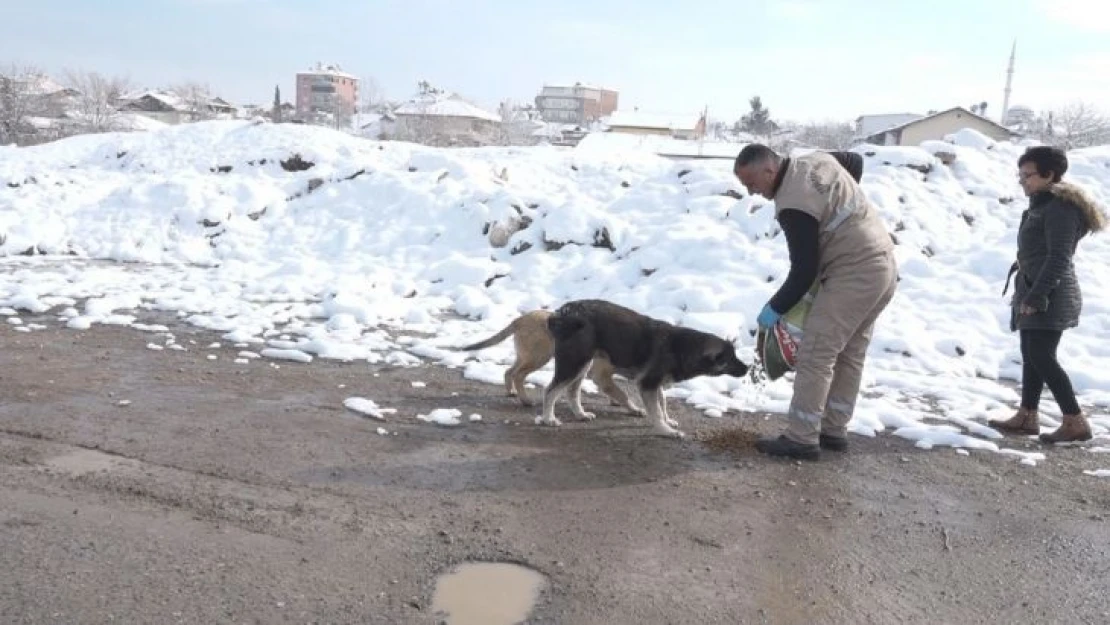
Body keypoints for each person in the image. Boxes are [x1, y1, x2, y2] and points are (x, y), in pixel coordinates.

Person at [733, 144, 897, 460]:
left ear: (769, 170)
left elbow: (804, 270)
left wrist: (775, 308)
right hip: (883, 266)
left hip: (854, 272)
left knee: (816, 353)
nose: (752, 192)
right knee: (850, 353)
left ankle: (801, 438)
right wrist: (842, 209)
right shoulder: (816, 160)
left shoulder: (793, 204)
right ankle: (833, 431)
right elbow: (855, 162)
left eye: (752, 183)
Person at [989, 145, 1105, 443]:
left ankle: (1074, 420)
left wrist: (1037, 296)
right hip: (1034, 287)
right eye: (1021, 174)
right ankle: (1027, 416)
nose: (1022, 181)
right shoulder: (1043, 204)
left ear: (1049, 174)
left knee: (1042, 355)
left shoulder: (1059, 208)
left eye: (1027, 175)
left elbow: (1058, 258)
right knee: (1031, 354)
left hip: (1052, 293)